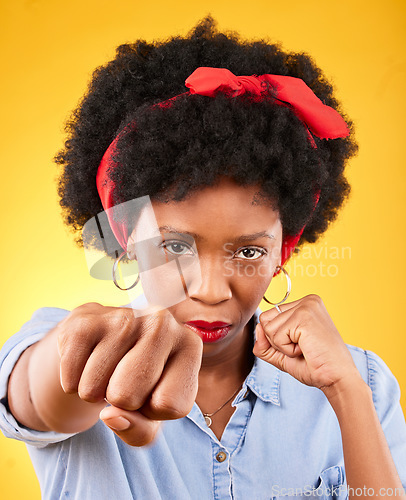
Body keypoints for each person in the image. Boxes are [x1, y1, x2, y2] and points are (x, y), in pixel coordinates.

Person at [0, 14, 405, 500]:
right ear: (128, 239)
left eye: (250, 250)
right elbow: (39, 396)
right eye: (174, 247)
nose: (211, 290)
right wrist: (84, 358)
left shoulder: (365, 382)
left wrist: (347, 392)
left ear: (284, 250)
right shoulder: (62, 344)